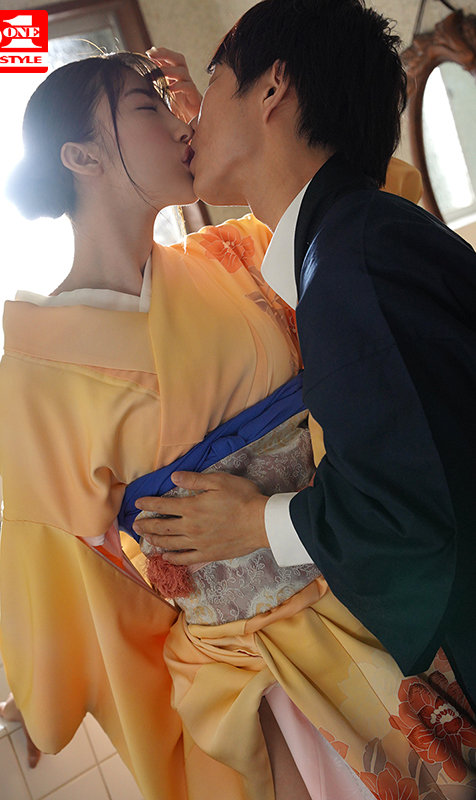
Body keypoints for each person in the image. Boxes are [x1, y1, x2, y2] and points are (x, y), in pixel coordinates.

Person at [0, 46, 475, 800]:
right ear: (82, 156)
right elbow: (60, 564)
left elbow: (360, 210)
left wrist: (234, 132)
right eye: (147, 108)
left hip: (374, 579)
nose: (176, 123)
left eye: (175, 105)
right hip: (250, 663)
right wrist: (37, 691)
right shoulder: (33, 376)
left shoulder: (234, 253)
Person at [134, 0, 476, 718]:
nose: (187, 122)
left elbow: (419, 515)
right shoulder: (354, 238)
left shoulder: (353, 263)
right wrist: (226, 130)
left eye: (213, 81)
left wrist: (258, 524)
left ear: (273, 88)